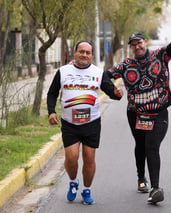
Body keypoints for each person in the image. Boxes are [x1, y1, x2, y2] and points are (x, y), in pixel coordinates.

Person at [106, 20, 171, 204]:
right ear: (131, 48)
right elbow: (105, 75)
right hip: (135, 114)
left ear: (145, 42)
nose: (137, 47)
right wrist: (112, 90)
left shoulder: (160, 56)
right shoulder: (126, 65)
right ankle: (141, 178)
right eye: (133, 45)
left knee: (152, 145)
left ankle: (155, 188)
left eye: (139, 43)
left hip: (159, 112)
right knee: (141, 145)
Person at [47, 41, 123, 205]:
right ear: (75, 53)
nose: (84, 55)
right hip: (69, 123)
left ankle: (87, 189)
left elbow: (112, 92)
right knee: (72, 158)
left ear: (91, 55)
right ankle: (73, 182)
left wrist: (118, 94)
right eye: (81, 51)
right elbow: (52, 93)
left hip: (92, 123)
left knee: (89, 158)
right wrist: (51, 111)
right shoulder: (63, 71)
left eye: (88, 53)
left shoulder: (98, 72)